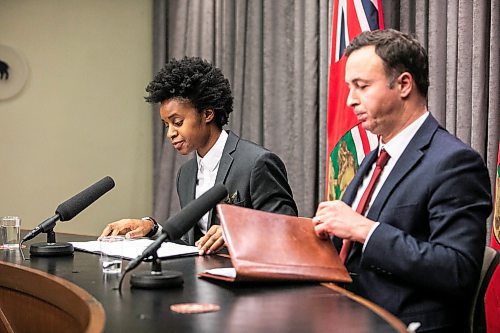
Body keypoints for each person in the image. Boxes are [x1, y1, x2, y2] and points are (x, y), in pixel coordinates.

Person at [312, 29, 492, 332]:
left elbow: (458, 270)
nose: (350, 101)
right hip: (344, 313)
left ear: (404, 84)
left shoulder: (454, 163)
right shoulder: (376, 157)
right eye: (349, 87)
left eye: (362, 86)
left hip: (400, 324)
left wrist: (365, 230)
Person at [100, 56, 298, 255]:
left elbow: (288, 230)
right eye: (166, 125)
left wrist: (238, 231)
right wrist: (152, 228)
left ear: (207, 114)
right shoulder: (186, 173)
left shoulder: (257, 162)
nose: (170, 133)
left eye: (177, 122)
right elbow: (192, 242)